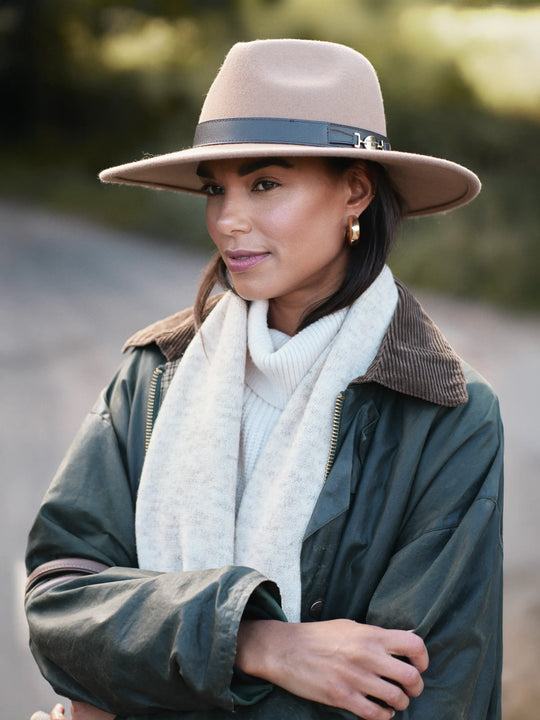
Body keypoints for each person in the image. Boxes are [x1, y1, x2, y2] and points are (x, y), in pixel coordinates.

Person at [25, 39, 503, 720]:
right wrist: (257, 643)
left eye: (265, 183)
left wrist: (126, 687)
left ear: (356, 192)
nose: (228, 220)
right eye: (216, 188)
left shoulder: (445, 415)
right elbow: (60, 604)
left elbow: (422, 696)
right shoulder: (155, 374)